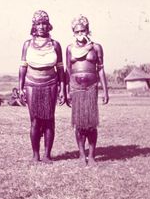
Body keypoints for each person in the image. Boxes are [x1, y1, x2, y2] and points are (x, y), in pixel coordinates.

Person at [19, 10, 65, 163]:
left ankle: (47, 155)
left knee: (49, 119)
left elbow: (60, 69)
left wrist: (63, 89)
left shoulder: (55, 45)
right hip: (32, 84)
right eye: (38, 24)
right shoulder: (27, 44)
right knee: (35, 121)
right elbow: (23, 67)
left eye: (44, 23)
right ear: (34, 26)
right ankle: (35, 155)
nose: (41, 27)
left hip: (51, 84)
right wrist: (20, 88)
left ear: (49, 25)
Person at [66, 15, 109, 166]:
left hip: (91, 88)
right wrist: (67, 91)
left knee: (91, 123)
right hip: (76, 88)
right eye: (77, 31)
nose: (80, 34)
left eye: (83, 30)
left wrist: (105, 91)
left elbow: (101, 70)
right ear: (73, 32)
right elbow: (68, 71)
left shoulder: (96, 47)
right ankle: (81, 155)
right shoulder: (70, 48)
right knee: (79, 123)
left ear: (88, 30)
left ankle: (91, 156)